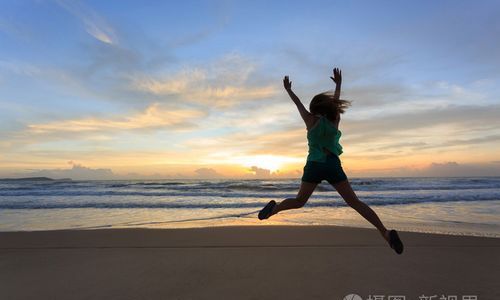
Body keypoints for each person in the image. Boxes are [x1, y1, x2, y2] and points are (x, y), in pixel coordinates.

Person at [258, 67, 404, 255]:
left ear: (314, 109)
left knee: (299, 201)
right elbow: (335, 105)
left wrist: (288, 90)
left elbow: (298, 104)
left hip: (314, 166)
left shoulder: (310, 120)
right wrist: (338, 85)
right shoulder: (334, 120)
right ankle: (385, 232)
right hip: (332, 165)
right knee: (355, 203)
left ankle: (274, 210)